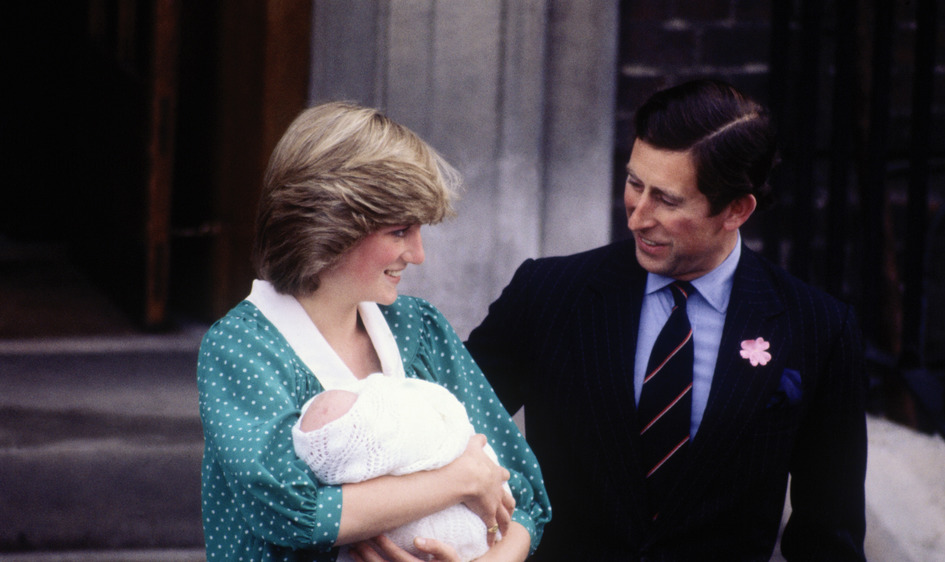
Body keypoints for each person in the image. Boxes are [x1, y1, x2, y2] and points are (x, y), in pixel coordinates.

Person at [465, 79, 868, 560]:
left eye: (668, 200)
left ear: (736, 209)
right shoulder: (548, 293)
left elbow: (829, 537)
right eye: (635, 184)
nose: (637, 216)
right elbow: (444, 432)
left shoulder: (819, 329)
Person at [197, 101, 551, 562]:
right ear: (329, 225)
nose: (418, 254)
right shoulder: (242, 349)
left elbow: (523, 496)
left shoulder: (419, 328)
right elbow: (294, 513)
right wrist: (461, 478)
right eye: (400, 231)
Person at [292, 373, 512, 561]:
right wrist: (466, 477)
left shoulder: (420, 328)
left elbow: (528, 513)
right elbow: (302, 515)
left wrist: (491, 549)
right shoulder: (269, 369)